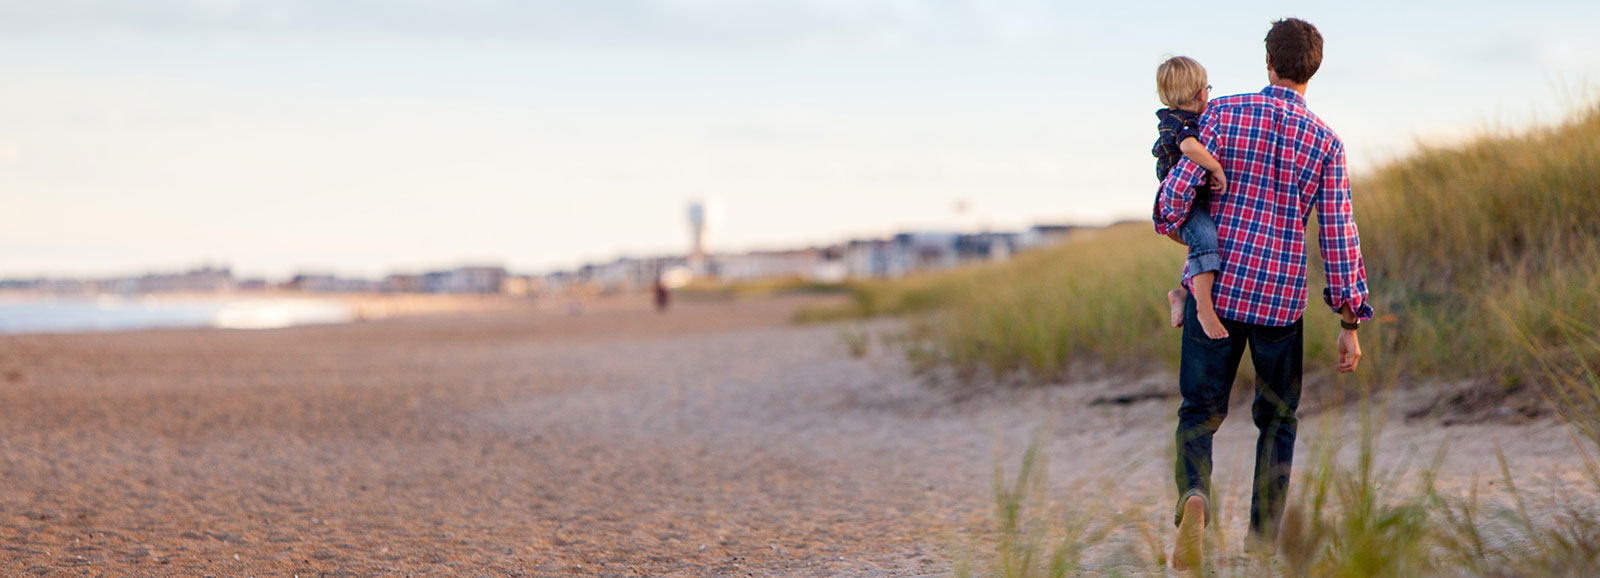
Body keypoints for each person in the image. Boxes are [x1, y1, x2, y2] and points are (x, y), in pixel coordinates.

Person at [1152, 18, 1373, 571]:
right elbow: (1339, 234)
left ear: (1268, 62)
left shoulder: (1222, 113)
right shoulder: (1326, 141)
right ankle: (1262, 541)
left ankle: (1195, 498)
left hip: (1219, 293)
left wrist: (1179, 222)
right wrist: (1349, 324)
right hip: (1280, 303)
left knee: (1198, 414)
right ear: (1312, 69)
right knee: (1277, 421)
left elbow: (1172, 200)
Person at [1153, 56, 1230, 339]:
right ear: (1200, 92)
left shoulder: (1179, 118)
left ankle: (1182, 293)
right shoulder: (1180, 122)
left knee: (1204, 241)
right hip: (1181, 204)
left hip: (1190, 200)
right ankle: (1204, 309)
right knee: (1206, 238)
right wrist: (1215, 166)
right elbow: (1188, 147)